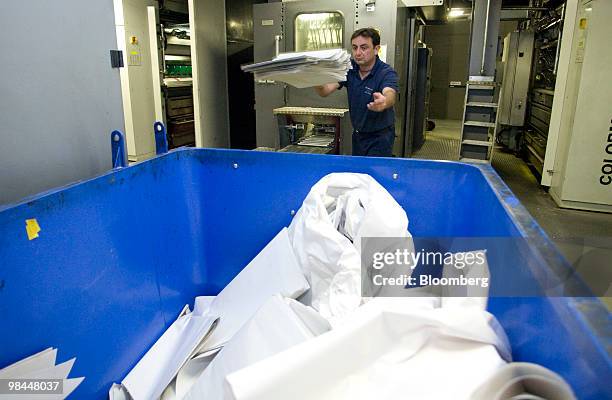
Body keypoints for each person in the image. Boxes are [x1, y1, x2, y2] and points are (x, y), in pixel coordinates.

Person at [315, 27, 399, 157]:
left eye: (364, 48)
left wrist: (384, 102)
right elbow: (324, 91)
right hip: (359, 135)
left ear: (376, 49)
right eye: (355, 48)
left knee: (374, 173)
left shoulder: (385, 72)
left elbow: (390, 93)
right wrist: (312, 79)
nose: (358, 53)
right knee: (358, 172)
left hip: (380, 137)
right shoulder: (349, 68)